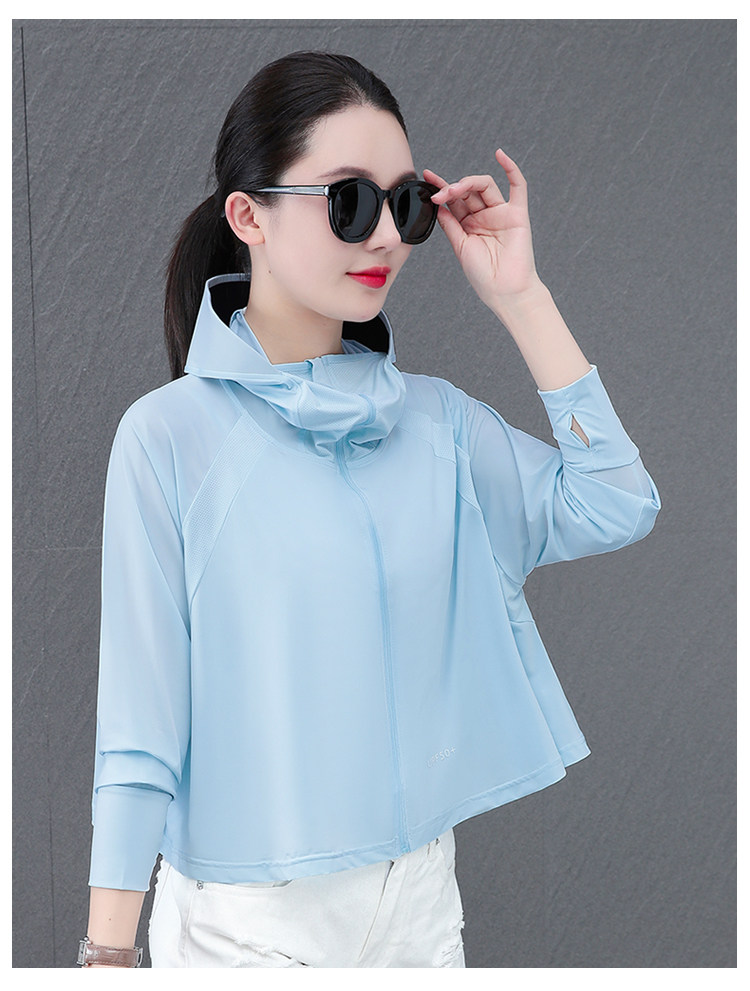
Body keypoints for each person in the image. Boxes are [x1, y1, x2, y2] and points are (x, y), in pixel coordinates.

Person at [80, 50, 661, 969]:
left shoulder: (439, 424)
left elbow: (616, 502)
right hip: (248, 925)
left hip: (418, 906)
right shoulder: (168, 438)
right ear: (249, 215)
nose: (387, 234)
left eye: (407, 204)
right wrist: (106, 957)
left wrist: (523, 298)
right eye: (348, 202)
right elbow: (140, 727)